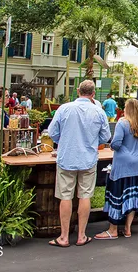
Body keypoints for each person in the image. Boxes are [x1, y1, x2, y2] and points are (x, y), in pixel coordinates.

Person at [48, 80, 111, 248]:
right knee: (85, 195)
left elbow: (53, 132)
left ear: (78, 91)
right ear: (93, 94)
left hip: (67, 157)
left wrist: (65, 140)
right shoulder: (98, 111)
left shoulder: (64, 108)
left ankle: (64, 236)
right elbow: (106, 137)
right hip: (88, 158)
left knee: (65, 196)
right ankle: (81, 235)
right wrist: (92, 141)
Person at [95, 99, 138, 240]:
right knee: (132, 196)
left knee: (117, 194)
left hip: (123, 164)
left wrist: (114, 146)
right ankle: (128, 228)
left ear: (127, 109)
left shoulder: (122, 123)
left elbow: (116, 144)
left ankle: (113, 229)